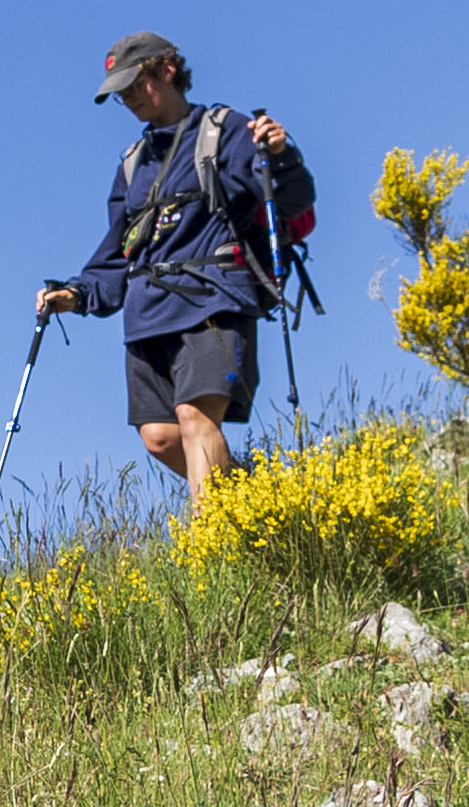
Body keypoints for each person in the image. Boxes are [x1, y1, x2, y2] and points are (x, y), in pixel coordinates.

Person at [37, 32, 309, 502]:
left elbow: (294, 200)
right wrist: (78, 294)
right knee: (159, 436)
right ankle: (258, 507)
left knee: (195, 416)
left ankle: (213, 551)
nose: (125, 98)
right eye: (118, 92)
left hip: (214, 298)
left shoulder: (224, 132)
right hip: (148, 313)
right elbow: (118, 252)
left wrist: (281, 156)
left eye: (133, 84)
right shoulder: (132, 164)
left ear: (166, 69)